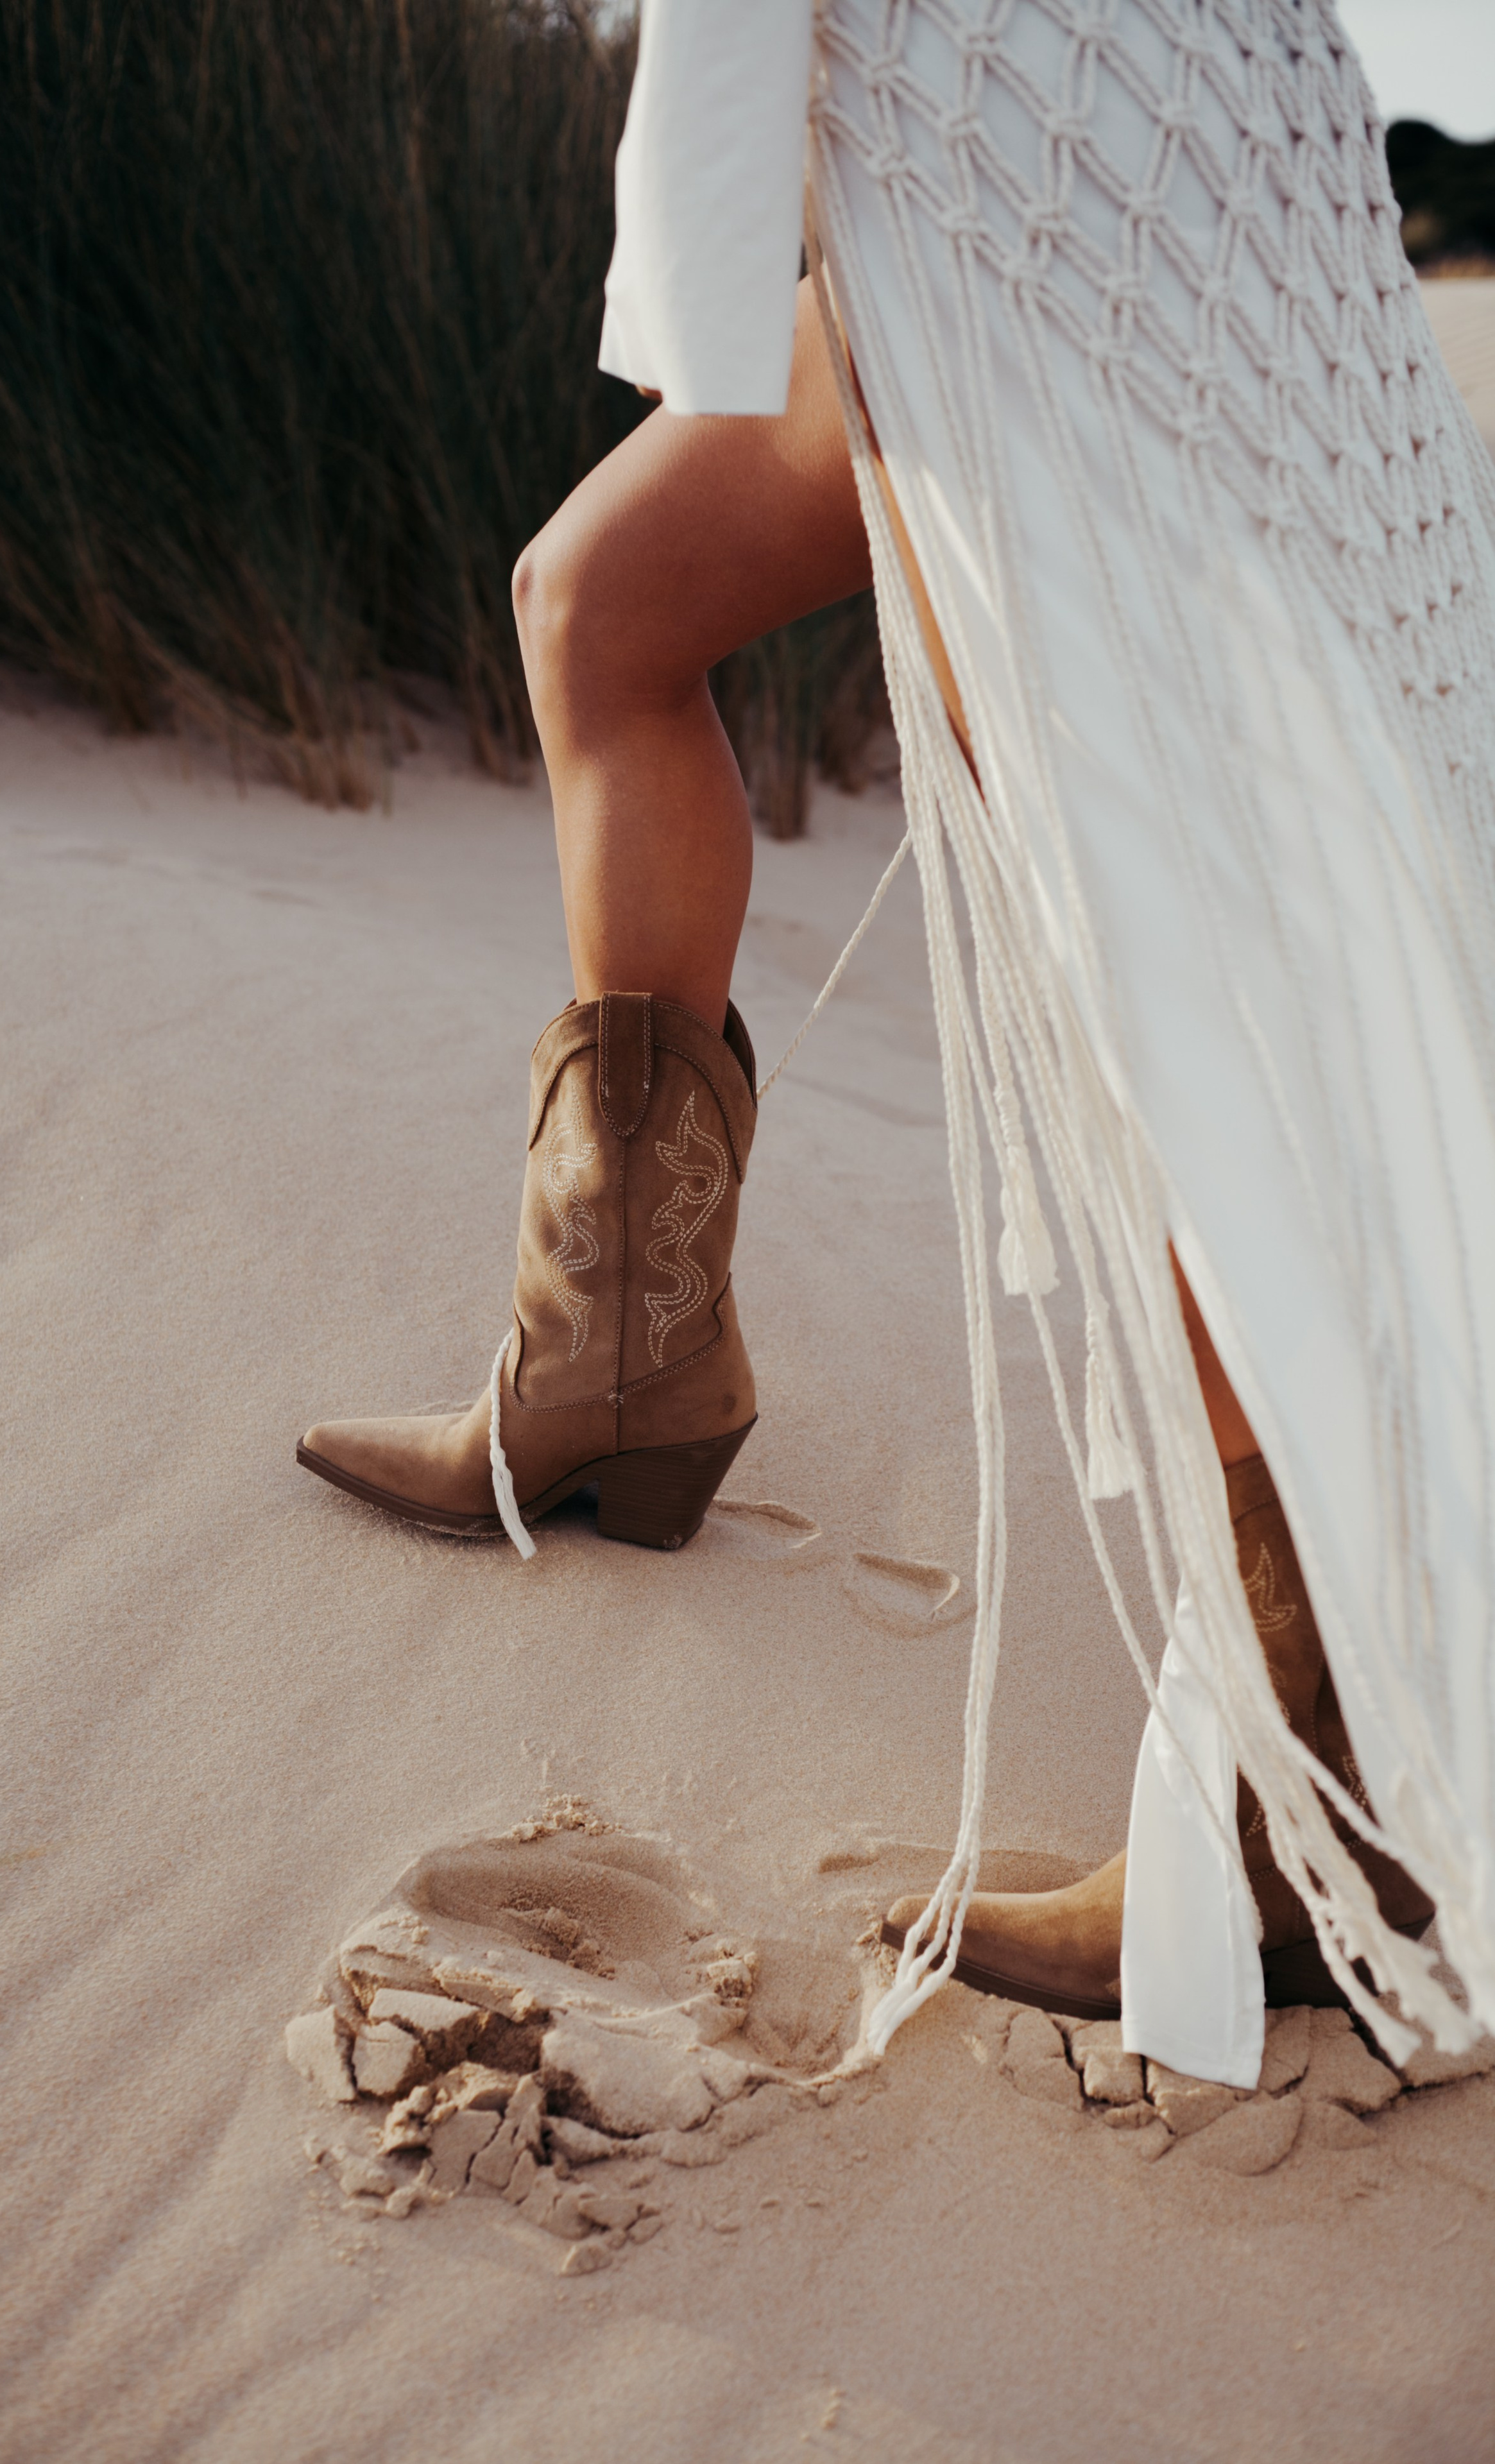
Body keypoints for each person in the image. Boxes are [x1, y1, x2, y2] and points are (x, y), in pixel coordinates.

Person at [301, 0, 1495, 2083]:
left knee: (1147, 946)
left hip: (1050, 196)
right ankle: (622, 1352)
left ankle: (1319, 1785)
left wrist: (696, 250)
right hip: (1070, 142)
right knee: (602, 603)